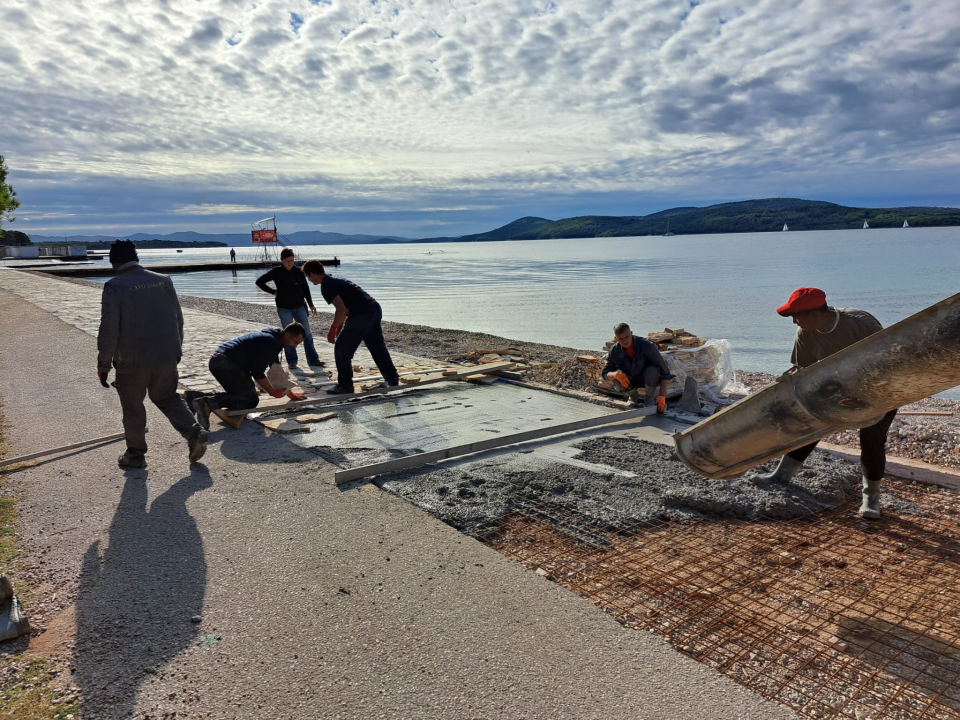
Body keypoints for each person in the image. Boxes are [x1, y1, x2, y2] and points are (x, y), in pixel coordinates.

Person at [753, 287, 895, 519]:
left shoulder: (859, 322)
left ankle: (871, 499)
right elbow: (804, 369)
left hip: (881, 389)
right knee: (810, 424)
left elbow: (889, 354)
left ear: (815, 314)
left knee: (871, 440)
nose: (794, 323)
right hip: (840, 389)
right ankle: (782, 475)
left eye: (796, 317)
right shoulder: (805, 333)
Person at [96, 240, 207, 468]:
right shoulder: (163, 281)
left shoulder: (115, 286)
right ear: (136, 258)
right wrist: (176, 350)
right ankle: (194, 433)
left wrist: (104, 365)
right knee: (167, 397)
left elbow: (109, 330)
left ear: (114, 261)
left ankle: (135, 454)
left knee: (133, 406)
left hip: (131, 358)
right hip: (166, 354)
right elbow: (178, 319)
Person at [302, 260, 400, 394]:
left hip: (362, 314)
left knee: (342, 349)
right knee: (376, 346)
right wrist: (340, 324)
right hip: (374, 308)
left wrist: (332, 329)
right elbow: (347, 307)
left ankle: (345, 385)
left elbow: (341, 310)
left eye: (308, 277)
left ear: (312, 274)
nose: (308, 280)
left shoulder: (326, 286)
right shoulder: (334, 279)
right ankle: (392, 378)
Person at [187, 323, 306, 429]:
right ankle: (207, 403)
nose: (295, 346)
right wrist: (271, 392)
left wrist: (289, 392)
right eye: (295, 342)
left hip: (221, 362)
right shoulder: (271, 342)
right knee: (250, 401)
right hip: (225, 365)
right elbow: (257, 373)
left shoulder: (275, 339)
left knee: (242, 396)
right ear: (288, 334)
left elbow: (276, 372)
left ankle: (196, 396)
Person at [255, 248, 321, 368]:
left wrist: (311, 304)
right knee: (288, 335)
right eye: (287, 261)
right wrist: (273, 292)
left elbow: (306, 289)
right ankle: (292, 362)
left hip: (300, 306)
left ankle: (313, 360)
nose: (290, 263)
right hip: (284, 307)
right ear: (281, 260)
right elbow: (259, 281)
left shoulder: (299, 272)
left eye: (291, 260)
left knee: (307, 334)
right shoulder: (276, 272)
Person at [602, 322, 673, 412]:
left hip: (648, 379)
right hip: (631, 380)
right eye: (621, 338)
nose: (625, 341)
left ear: (631, 333)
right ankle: (633, 396)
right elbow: (605, 372)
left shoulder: (647, 346)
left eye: (627, 337)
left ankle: (649, 399)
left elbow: (665, 372)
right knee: (616, 376)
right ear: (616, 338)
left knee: (652, 371)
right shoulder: (615, 350)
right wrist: (615, 375)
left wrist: (662, 396)